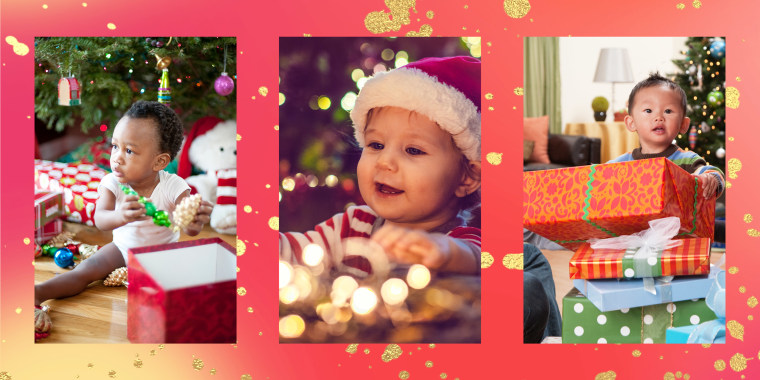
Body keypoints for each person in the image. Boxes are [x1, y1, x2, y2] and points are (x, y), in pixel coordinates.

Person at [280, 56, 482, 275]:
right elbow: (288, 253)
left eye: (413, 150)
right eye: (376, 145)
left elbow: (473, 257)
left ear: (467, 178)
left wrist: (444, 252)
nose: (384, 161)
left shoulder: (463, 241)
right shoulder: (353, 226)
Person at [34, 101, 214, 340]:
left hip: (163, 253)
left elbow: (190, 228)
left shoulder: (174, 186)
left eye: (129, 151)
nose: (117, 158)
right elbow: (100, 220)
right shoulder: (113, 183)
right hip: (122, 249)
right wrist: (120, 216)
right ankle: (37, 292)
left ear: (159, 162)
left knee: (189, 284)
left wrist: (195, 219)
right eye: (115, 146)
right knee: (85, 271)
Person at [609, 72, 725, 198]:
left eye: (668, 111)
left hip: (676, 218)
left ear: (683, 124)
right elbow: (596, 176)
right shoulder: (622, 164)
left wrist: (710, 178)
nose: (659, 117)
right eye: (648, 110)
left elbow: (713, 173)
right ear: (631, 123)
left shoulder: (687, 161)